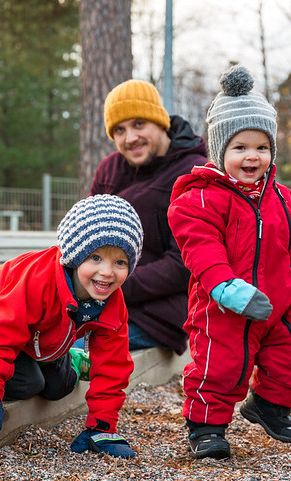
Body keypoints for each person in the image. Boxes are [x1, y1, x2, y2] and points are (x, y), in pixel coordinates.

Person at [167, 65, 291, 460]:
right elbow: (202, 250)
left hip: (279, 305)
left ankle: (268, 406)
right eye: (240, 147)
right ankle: (206, 427)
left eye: (262, 147)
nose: (253, 156)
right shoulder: (199, 200)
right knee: (220, 367)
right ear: (220, 152)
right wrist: (226, 287)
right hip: (224, 309)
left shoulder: (279, 195)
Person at [0, 195, 144, 459]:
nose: (107, 272)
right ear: (75, 255)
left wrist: (102, 427)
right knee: (28, 383)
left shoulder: (111, 302)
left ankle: (69, 360)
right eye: (95, 257)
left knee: (59, 387)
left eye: (120, 262)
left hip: (42, 335)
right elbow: (3, 331)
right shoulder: (38, 280)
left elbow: (113, 364)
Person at [89, 79, 208, 355]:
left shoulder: (194, 172)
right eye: (120, 130)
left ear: (160, 121)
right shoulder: (109, 169)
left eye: (139, 124)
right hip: (101, 301)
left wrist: (112, 284)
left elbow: (184, 265)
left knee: (66, 348)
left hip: (157, 317)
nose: (130, 138)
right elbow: (86, 238)